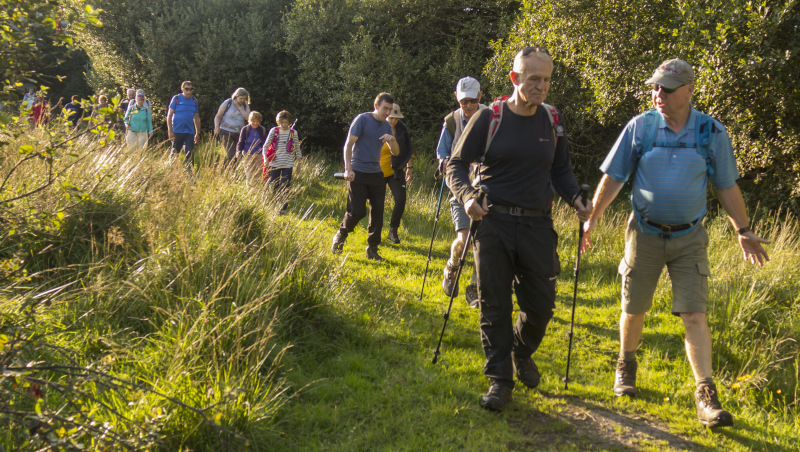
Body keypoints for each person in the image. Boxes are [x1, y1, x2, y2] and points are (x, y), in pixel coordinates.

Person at [581, 58, 770, 428]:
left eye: (667, 88)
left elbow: (726, 186)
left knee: (694, 314)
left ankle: (706, 395)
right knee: (634, 307)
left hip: (690, 238)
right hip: (644, 233)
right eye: (655, 87)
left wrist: (742, 230)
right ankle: (626, 365)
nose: (658, 94)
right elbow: (615, 177)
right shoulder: (640, 127)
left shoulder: (711, 133)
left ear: (689, 90)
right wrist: (593, 217)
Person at [447, 46, 591, 412]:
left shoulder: (552, 120)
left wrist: (575, 197)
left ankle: (520, 349)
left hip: (537, 225)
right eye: (534, 79)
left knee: (541, 306)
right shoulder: (488, 117)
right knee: (494, 303)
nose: (541, 87)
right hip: (493, 221)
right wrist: (466, 198)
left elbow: (561, 170)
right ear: (514, 78)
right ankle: (499, 381)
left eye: (546, 80)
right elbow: (456, 165)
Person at [436, 76, 487, 307]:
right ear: (457, 98)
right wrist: (444, 162)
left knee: (482, 241)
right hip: (459, 188)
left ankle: (475, 287)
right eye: (463, 101)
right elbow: (442, 152)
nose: (467, 106)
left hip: (485, 188)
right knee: (464, 238)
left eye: (472, 101)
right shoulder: (451, 122)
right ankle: (453, 265)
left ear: (480, 97)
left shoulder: (492, 117)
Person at [331, 93, 399, 261]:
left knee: (378, 212)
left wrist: (393, 139)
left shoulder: (386, 126)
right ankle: (341, 234)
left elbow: (396, 152)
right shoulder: (362, 119)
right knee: (357, 211)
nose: (387, 113)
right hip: (358, 171)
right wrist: (348, 168)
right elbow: (348, 144)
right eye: (385, 108)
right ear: (376, 106)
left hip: (376, 173)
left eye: (390, 110)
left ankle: (372, 249)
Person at [382, 102, 412, 244]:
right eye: (391, 117)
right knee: (376, 202)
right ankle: (374, 232)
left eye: (396, 118)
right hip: (378, 170)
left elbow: (407, 150)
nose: (393, 120)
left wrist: (409, 168)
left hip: (397, 169)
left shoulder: (402, 129)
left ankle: (393, 231)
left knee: (400, 199)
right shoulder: (378, 126)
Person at [263, 111, 302, 209]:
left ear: (289, 122)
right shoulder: (274, 131)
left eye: (286, 122)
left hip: (288, 163)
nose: (284, 125)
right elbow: (265, 146)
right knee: (274, 185)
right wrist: (265, 159)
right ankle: (273, 205)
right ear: (278, 122)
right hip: (274, 163)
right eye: (282, 122)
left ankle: (283, 208)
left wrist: (299, 164)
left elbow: (297, 148)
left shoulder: (293, 133)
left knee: (285, 185)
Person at [167, 81, 201, 168]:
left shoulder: (194, 101)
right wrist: (170, 131)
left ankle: (190, 174)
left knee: (189, 153)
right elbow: (169, 116)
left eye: (191, 89)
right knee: (175, 153)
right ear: (182, 89)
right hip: (177, 131)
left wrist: (197, 133)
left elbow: (196, 117)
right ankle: (170, 170)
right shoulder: (176, 98)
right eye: (187, 89)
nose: (189, 91)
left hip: (189, 132)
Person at [214, 88, 251, 165]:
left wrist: (239, 108)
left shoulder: (245, 105)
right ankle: (232, 174)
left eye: (244, 98)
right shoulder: (228, 102)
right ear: (236, 96)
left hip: (239, 133)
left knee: (239, 154)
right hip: (225, 132)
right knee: (232, 155)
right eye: (241, 98)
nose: (242, 100)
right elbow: (218, 116)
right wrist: (216, 126)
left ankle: (231, 172)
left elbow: (248, 118)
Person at [236, 111, 267, 184]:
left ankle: (255, 191)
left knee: (257, 174)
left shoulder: (262, 129)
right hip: (248, 154)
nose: (255, 123)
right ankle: (250, 191)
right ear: (249, 120)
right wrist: (239, 151)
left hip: (259, 155)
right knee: (249, 174)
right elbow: (241, 141)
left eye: (257, 121)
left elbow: (265, 142)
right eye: (253, 121)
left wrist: (265, 153)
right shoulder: (245, 129)